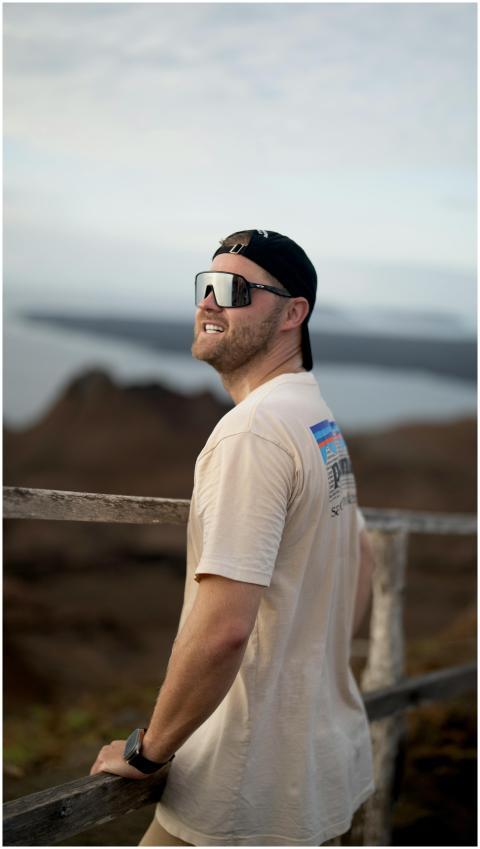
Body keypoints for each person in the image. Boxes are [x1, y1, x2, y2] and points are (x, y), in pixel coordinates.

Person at [90, 229, 376, 846]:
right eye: (206, 285)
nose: (210, 302)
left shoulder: (254, 433)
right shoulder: (316, 418)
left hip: (239, 795)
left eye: (235, 289)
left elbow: (225, 629)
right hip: (319, 771)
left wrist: (148, 753)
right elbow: (365, 554)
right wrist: (306, 659)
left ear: (292, 313)